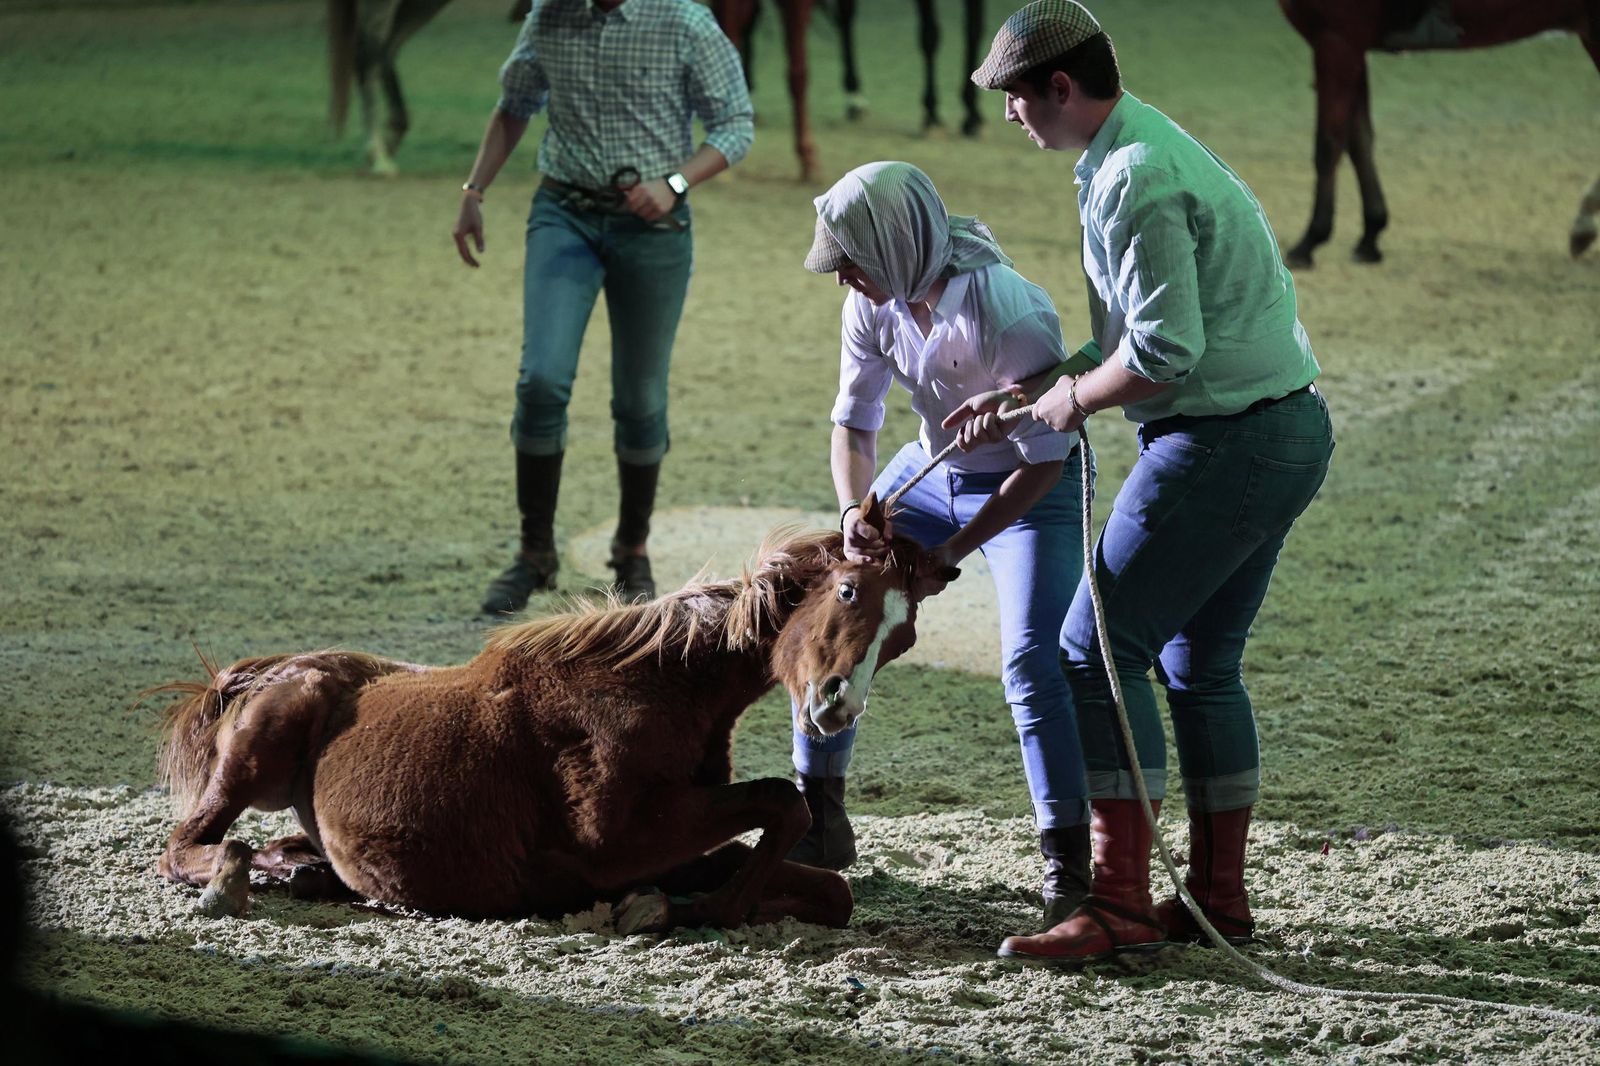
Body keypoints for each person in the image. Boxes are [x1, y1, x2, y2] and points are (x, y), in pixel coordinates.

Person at [948, 0, 1336, 964]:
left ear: (1062, 89)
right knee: (1198, 669)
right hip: (1281, 429)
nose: (1009, 115)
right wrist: (1034, 390)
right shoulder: (1135, 149)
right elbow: (1139, 331)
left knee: (1091, 650)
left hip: (1223, 441)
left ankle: (1119, 905)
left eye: (1015, 98)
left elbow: (1163, 356)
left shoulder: (1133, 176)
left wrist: (1072, 401)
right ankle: (1216, 903)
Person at [794, 160, 1096, 930]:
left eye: (850, 262)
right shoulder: (875, 302)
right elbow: (855, 422)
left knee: (1034, 661)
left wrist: (952, 550)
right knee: (836, 608)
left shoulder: (1009, 310)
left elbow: (1042, 463)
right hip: (932, 473)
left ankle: (1068, 865)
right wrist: (853, 509)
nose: (842, 280)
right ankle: (817, 810)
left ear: (894, 244)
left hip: (1031, 487)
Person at [453, 0, 754, 613]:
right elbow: (515, 104)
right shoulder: (550, 16)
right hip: (564, 211)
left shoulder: (685, 23)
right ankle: (534, 553)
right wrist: (474, 190)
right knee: (541, 379)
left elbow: (735, 126)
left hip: (654, 230)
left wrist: (672, 185)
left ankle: (631, 548)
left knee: (640, 397)